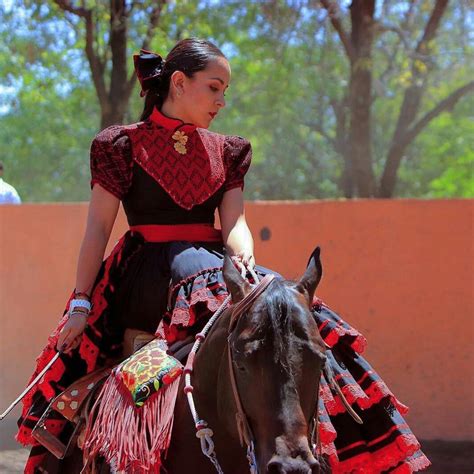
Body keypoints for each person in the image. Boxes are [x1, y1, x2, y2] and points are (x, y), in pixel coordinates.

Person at [16, 39, 430, 473]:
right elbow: (98, 228)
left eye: (225, 89)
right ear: (178, 83)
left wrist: (245, 265)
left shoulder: (230, 150)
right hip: (147, 272)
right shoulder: (119, 144)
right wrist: (81, 302)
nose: (222, 100)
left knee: (296, 313)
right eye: (214, 87)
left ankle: (326, 446)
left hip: (214, 262)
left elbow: (235, 224)